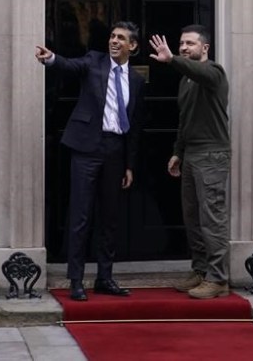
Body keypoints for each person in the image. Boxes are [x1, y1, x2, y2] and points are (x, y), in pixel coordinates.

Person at [36, 21, 146, 301]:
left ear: (132, 46)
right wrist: (51, 59)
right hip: (87, 148)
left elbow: (135, 126)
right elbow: (70, 65)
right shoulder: (94, 61)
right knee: (81, 216)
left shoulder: (135, 80)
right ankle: (76, 280)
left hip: (115, 150)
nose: (114, 41)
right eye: (112, 36)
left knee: (109, 218)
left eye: (121, 38)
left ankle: (105, 278)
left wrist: (130, 165)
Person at [148, 24, 230, 299]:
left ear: (204, 48)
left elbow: (200, 71)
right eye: (181, 43)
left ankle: (218, 279)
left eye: (190, 44)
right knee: (193, 219)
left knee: (212, 220)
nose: (184, 47)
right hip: (192, 154)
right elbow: (184, 120)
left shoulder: (214, 73)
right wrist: (177, 152)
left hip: (212, 155)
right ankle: (201, 271)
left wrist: (172, 59)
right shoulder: (185, 80)